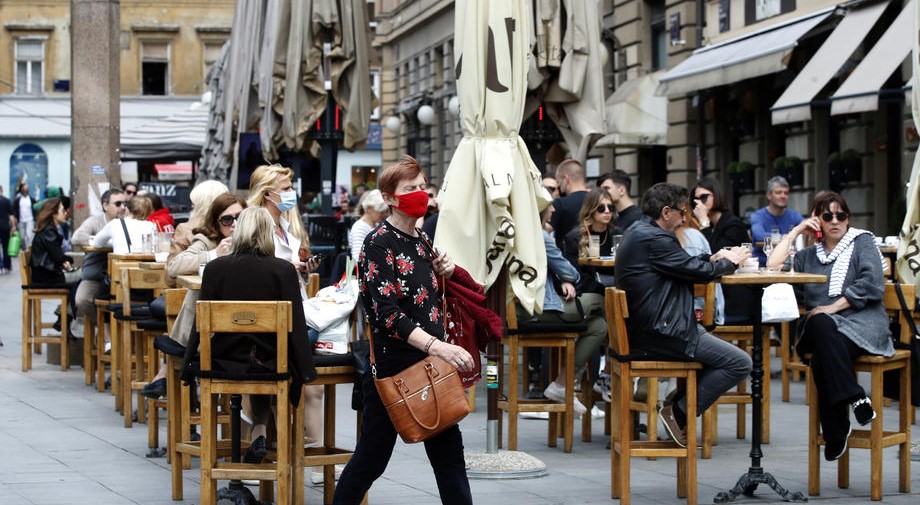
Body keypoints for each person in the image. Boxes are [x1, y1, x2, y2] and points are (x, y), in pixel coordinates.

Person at [334, 155, 473, 505]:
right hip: (395, 368)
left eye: (423, 186)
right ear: (390, 198)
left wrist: (442, 270)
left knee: (449, 457)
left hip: (429, 366)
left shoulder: (420, 237)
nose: (421, 193)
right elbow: (386, 315)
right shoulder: (378, 242)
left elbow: (424, 297)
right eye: (411, 188)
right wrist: (438, 346)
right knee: (371, 459)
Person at [615, 182, 752, 447]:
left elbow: (683, 264)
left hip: (653, 327)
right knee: (740, 363)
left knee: (718, 357)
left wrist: (713, 257)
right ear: (666, 212)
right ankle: (678, 412)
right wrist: (730, 262)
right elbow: (699, 273)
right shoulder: (656, 239)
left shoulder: (641, 231)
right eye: (682, 211)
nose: (686, 218)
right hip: (662, 332)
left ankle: (678, 403)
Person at [183, 206, 317, 464]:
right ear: (268, 233)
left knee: (256, 354)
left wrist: (189, 362)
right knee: (271, 357)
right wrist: (305, 371)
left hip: (224, 359)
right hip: (269, 360)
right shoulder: (282, 270)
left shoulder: (215, 269)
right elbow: (296, 325)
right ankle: (273, 438)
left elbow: (200, 324)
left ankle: (258, 432)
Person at [766, 191, 888, 461]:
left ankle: (835, 431)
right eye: (827, 216)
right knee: (820, 322)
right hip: (821, 328)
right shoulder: (808, 255)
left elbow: (872, 284)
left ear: (848, 218)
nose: (835, 221)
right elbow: (772, 265)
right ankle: (855, 397)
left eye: (840, 215)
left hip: (861, 325)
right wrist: (797, 230)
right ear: (817, 220)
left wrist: (832, 307)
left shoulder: (862, 241)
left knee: (823, 354)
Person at [142, 193, 248, 399]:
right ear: (216, 223)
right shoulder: (207, 241)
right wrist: (214, 255)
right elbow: (174, 267)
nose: (234, 224)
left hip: (241, 326)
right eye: (227, 220)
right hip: (207, 331)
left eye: (240, 217)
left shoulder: (256, 241)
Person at [526, 194, 608, 414]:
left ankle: (562, 384)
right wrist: (565, 277)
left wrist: (562, 277)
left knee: (600, 326)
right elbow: (570, 272)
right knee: (603, 300)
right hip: (539, 309)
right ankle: (610, 373)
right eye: (549, 205)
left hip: (522, 309)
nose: (553, 210)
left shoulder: (519, 233)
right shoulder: (541, 235)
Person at [71, 188, 128, 339]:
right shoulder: (95, 221)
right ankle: (105, 329)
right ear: (105, 206)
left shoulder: (129, 221)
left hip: (123, 278)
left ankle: (119, 337)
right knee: (82, 299)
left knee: (137, 302)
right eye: (118, 204)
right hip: (96, 276)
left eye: (125, 203)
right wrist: (100, 241)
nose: (123, 207)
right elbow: (76, 238)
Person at [167, 180, 229, 287]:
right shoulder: (232, 226)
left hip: (191, 291)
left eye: (193, 202)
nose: (192, 206)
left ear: (200, 204)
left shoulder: (185, 228)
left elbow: (169, 279)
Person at [563, 187, 618, 298]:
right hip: (591, 291)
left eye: (610, 207)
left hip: (617, 287)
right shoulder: (574, 238)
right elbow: (576, 273)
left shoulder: (617, 235)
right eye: (601, 208)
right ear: (591, 210)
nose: (607, 211)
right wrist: (603, 289)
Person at [751, 176, 803, 266]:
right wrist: (786, 237)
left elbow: (805, 231)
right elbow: (759, 235)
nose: (783, 196)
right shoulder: (758, 216)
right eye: (778, 192)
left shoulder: (794, 216)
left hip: (788, 265)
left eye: (786, 193)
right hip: (762, 265)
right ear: (769, 195)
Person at [29, 198, 75, 286]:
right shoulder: (48, 231)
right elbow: (59, 257)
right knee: (83, 277)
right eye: (63, 211)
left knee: (82, 277)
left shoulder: (48, 229)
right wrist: (70, 259)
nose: (65, 213)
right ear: (53, 213)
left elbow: (57, 256)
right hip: (46, 277)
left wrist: (65, 261)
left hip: (46, 274)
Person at [92, 196, 157, 254]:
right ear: (149, 212)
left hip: (121, 263)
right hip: (145, 263)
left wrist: (115, 242)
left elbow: (97, 243)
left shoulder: (116, 223)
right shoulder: (152, 226)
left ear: (127, 209)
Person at [549, 159, 589, 246]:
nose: (558, 186)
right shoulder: (598, 201)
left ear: (566, 179)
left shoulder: (560, 204)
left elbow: (545, 230)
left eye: (558, 182)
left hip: (566, 252)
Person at [348, 189, 387, 261]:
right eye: (380, 211)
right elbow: (357, 258)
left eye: (384, 211)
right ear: (369, 208)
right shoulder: (359, 228)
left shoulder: (377, 224)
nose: (383, 214)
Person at [14, 182, 36, 251]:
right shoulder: (18, 200)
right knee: (22, 237)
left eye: (27, 189)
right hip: (21, 220)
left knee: (29, 235)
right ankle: (24, 249)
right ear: (21, 190)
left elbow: (35, 209)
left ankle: (29, 250)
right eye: (24, 189)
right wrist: (15, 219)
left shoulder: (31, 200)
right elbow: (15, 210)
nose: (26, 191)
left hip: (30, 220)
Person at [0, 185, 13, 274]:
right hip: (5, 227)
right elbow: (11, 216)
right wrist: (13, 227)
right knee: (6, 247)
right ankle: (7, 266)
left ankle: (0, 266)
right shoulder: (7, 201)